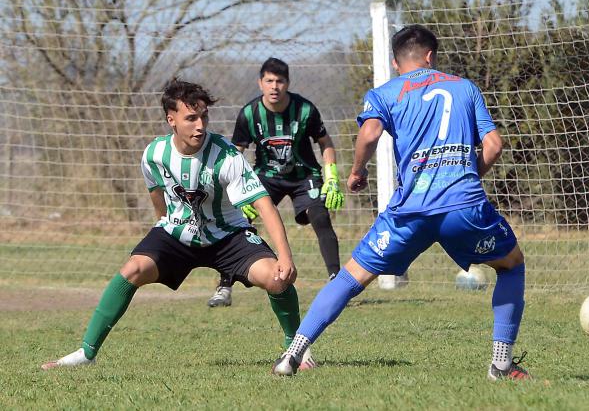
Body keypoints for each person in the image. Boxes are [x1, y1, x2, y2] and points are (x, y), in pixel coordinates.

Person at [271, 25, 530, 380]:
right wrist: (466, 178)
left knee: (350, 277)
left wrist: (358, 172)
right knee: (512, 265)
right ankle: (501, 363)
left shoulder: (386, 92)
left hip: (410, 211)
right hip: (464, 206)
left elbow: (370, 133)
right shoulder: (465, 87)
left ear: (395, 62)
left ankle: (291, 355)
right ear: (431, 56)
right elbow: (494, 145)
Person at [42, 79, 315, 369]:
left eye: (204, 117)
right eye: (191, 118)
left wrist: (285, 258)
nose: (200, 126)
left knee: (276, 277)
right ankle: (86, 353)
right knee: (132, 269)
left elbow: (264, 205)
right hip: (178, 234)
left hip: (229, 235)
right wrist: (166, 222)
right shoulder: (154, 154)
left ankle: (295, 349)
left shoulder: (226, 155)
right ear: (171, 120)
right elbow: (156, 193)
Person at [207, 57, 344, 308]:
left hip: (304, 176)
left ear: (288, 83)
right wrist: (236, 193)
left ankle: (337, 286)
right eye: (269, 80)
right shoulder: (249, 113)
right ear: (260, 83)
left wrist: (332, 177)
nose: (274, 86)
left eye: (280, 81)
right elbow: (235, 153)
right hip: (266, 177)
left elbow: (325, 143)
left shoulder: (305, 109)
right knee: (237, 220)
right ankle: (223, 287)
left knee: (320, 217)